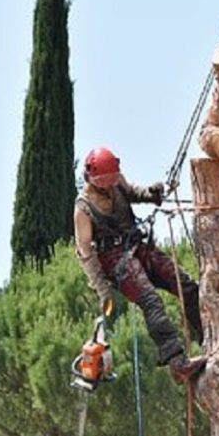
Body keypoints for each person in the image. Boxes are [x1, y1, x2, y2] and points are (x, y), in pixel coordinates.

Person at [74, 146, 206, 383]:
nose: (111, 185)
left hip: (139, 247)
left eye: (113, 179)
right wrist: (102, 288)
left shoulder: (116, 182)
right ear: (93, 179)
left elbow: (132, 192)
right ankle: (177, 363)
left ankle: (208, 338)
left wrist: (151, 193)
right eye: (105, 181)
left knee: (185, 285)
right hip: (116, 261)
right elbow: (84, 252)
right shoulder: (83, 209)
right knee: (151, 301)